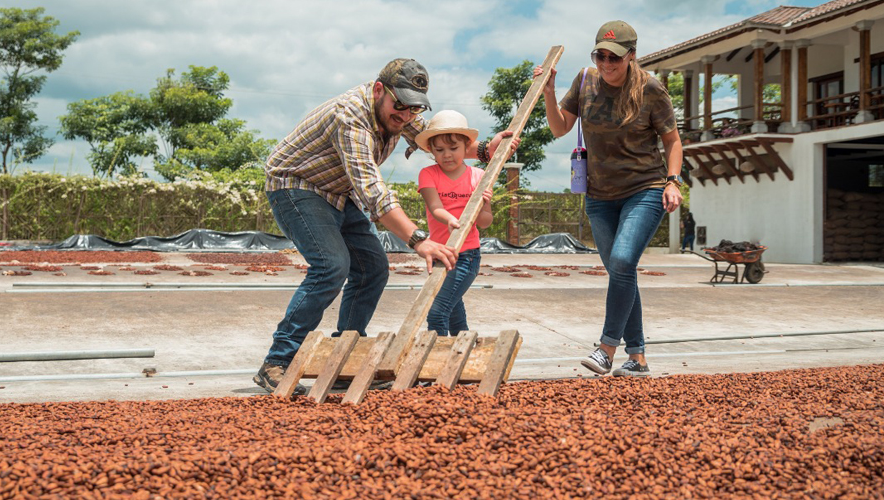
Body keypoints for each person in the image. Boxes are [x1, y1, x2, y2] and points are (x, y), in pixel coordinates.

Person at [255, 59, 518, 395]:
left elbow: (434, 138)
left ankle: (343, 355)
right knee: (331, 266)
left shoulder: (401, 114)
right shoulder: (350, 117)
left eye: (413, 108)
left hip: (337, 192)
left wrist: (484, 150)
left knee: (373, 268)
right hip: (296, 186)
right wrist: (418, 240)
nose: (405, 115)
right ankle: (277, 361)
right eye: (400, 106)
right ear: (379, 90)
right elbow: (373, 193)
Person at [538, 21, 684, 378]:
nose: (606, 63)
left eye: (614, 57)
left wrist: (673, 181)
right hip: (599, 195)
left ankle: (606, 349)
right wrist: (548, 91)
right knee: (622, 271)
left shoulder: (651, 89)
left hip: (645, 189)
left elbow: (673, 141)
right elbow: (559, 128)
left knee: (620, 261)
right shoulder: (586, 81)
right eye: (600, 55)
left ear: (631, 55)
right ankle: (638, 359)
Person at [415, 110, 493, 336]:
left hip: (467, 256)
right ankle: (463, 354)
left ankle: (436, 363)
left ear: (466, 147)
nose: (447, 155)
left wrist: (483, 206)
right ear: (431, 150)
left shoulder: (479, 176)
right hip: (440, 254)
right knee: (454, 312)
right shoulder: (428, 174)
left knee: (437, 313)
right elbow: (435, 206)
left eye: (453, 148)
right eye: (439, 150)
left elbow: (485, 223)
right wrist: (450, 219)